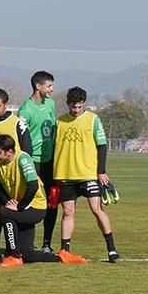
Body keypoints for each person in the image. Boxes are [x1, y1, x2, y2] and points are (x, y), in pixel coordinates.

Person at [53, 86, 119, 263]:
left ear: (84, 104)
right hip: (66, 175)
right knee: (68, 212)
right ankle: (65, 251)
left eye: (79, 107)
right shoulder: (60, 122)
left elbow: (102, 145)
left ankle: (111, 249)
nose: (76, 110)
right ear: (68, 104)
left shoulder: (93, 120)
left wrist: (101, 171)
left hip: (88, 174)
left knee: (97, 210)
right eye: (73, 107)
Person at [0, 135, 64, 267]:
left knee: (5, 213)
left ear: (9, 152)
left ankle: (14, 255)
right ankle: (60, 258)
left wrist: (20, 206)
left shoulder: (23, 158)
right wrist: (10, 202)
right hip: (21, 205)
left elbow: (33, 186)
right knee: (28, 254)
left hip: (36, 206)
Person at [0, 88, 32, 261]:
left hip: (11, 179)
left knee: (11, 212)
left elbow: (27, 151)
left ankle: (16, 249)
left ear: (6, 105)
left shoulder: (18, 123)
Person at [17, 71, 59, 252]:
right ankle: (27, 244)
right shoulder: (25, 110)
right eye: (49, 86)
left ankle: (47, 243)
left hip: (50, 162)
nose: (52, 89)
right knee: (31, 202)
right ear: (38, 86)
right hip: (33, 163)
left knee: (53, 201)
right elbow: (22, 137)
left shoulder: (51, 104)